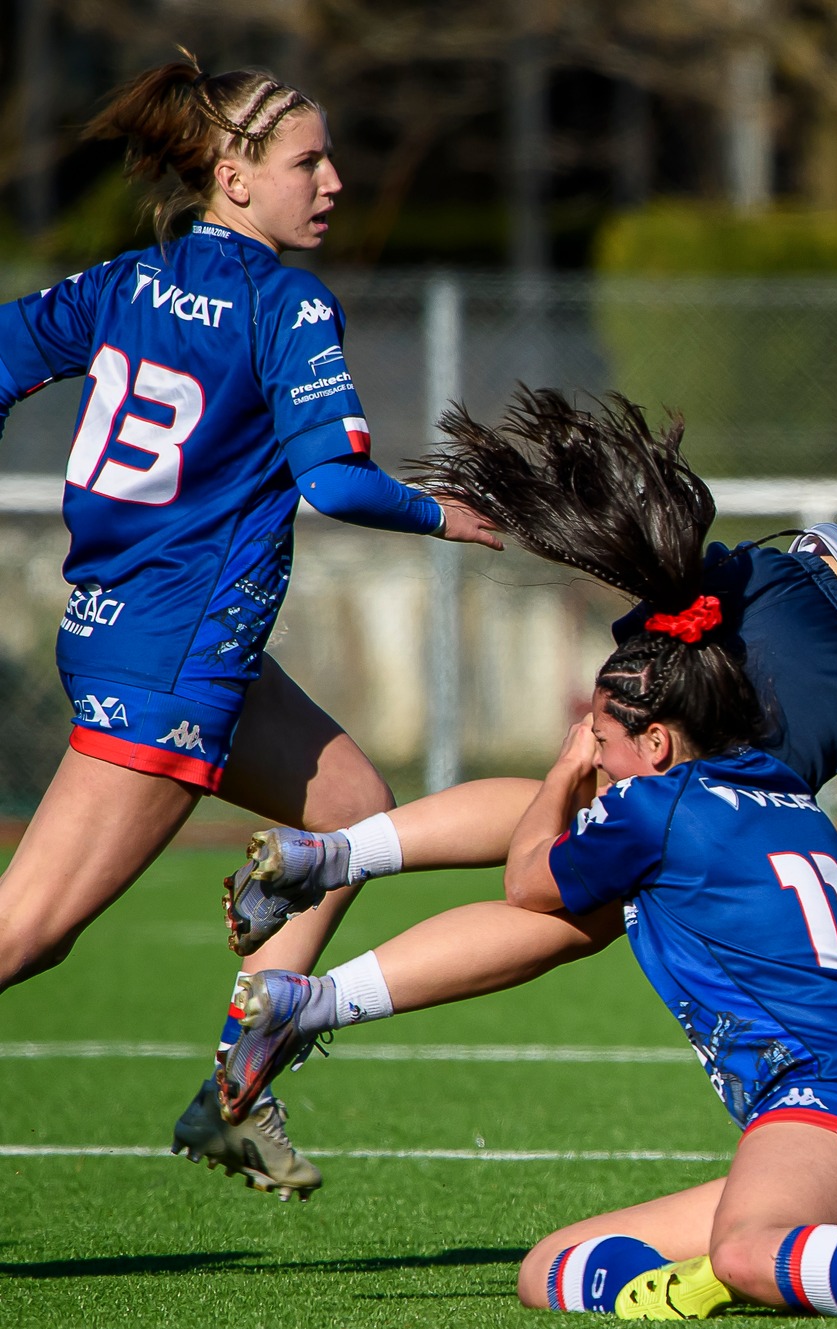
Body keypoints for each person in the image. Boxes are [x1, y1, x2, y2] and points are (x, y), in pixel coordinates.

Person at [188, 348, 837, 1194]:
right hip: (822, 672)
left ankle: (335, 851)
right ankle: (308, 1003)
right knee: (594, 895)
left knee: (597, 800)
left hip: (771, 581)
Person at [218, 492, 837, 1328]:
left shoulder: (655, 807)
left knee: (745, 1248)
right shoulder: (779, 792)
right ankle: (680, 1289)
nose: (595, 760)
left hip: (836, 1107)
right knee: (552, 1266)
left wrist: (560, 770)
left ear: (657, 743)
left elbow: (526, 882)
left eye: (604, 740)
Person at [0, 54, 499, 1195]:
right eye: (305, 161)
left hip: (129, 630)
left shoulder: (133, 278)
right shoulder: (283, 303)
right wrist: (450, 515)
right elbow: (338, 482)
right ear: (231, 174)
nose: (332, 180)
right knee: (25, 934)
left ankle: (237, 1082)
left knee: (354, 816)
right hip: (174, 662)